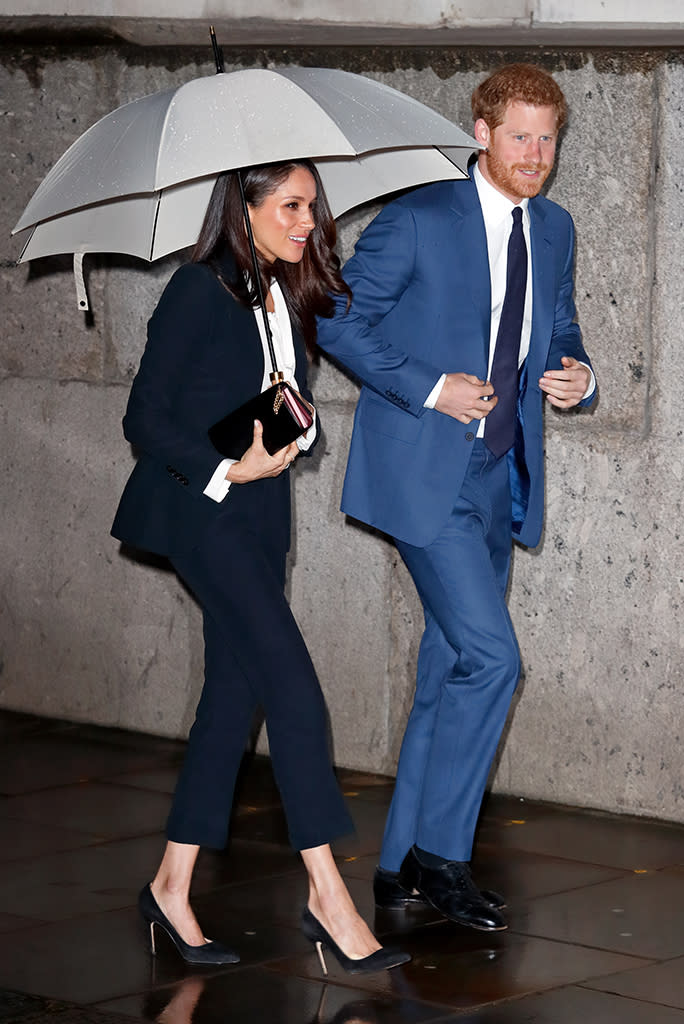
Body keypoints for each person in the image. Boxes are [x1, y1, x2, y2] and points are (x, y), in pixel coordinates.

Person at [111, 159, 409, 974]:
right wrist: (225, 471)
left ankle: (171, 885)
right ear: (243, 209)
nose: (308, 219)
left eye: (312, 205)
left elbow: (274, 402)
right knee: (294, 691)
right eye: (291, 204)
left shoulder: (277, 294)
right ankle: (326, 893)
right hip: (207, 515)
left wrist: (293, 426)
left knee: (231, 699)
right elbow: (145, 416)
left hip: (261, 520)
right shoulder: (197, 291)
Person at [316, 64, 596, 931]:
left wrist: (576, 375)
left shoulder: (553, 228)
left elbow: (557, 322)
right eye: (519, 136)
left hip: (501, 476)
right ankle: (443, 855)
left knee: (448, 666)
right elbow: (333, 317)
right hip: (426, 475)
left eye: (547, 138)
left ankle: (398, 865)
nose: (535, 156)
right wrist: (431, 386)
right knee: (493, 659)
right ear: (480, 131)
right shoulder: (418, 218)